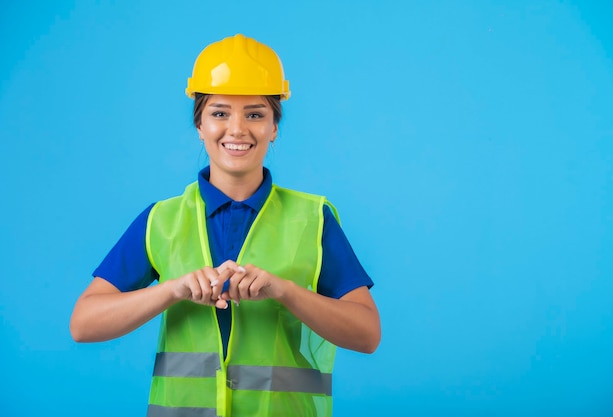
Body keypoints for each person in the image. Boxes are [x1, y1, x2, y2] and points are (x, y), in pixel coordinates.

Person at [70, 33, 381, 417]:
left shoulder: (313, 219)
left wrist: (285, 291)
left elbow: (367, 335)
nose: (237, 129)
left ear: (274, 127)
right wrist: (172, 290)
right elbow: (83, 324)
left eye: (255, 114)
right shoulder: (162, 220)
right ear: (199, 125)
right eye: (219, 112)